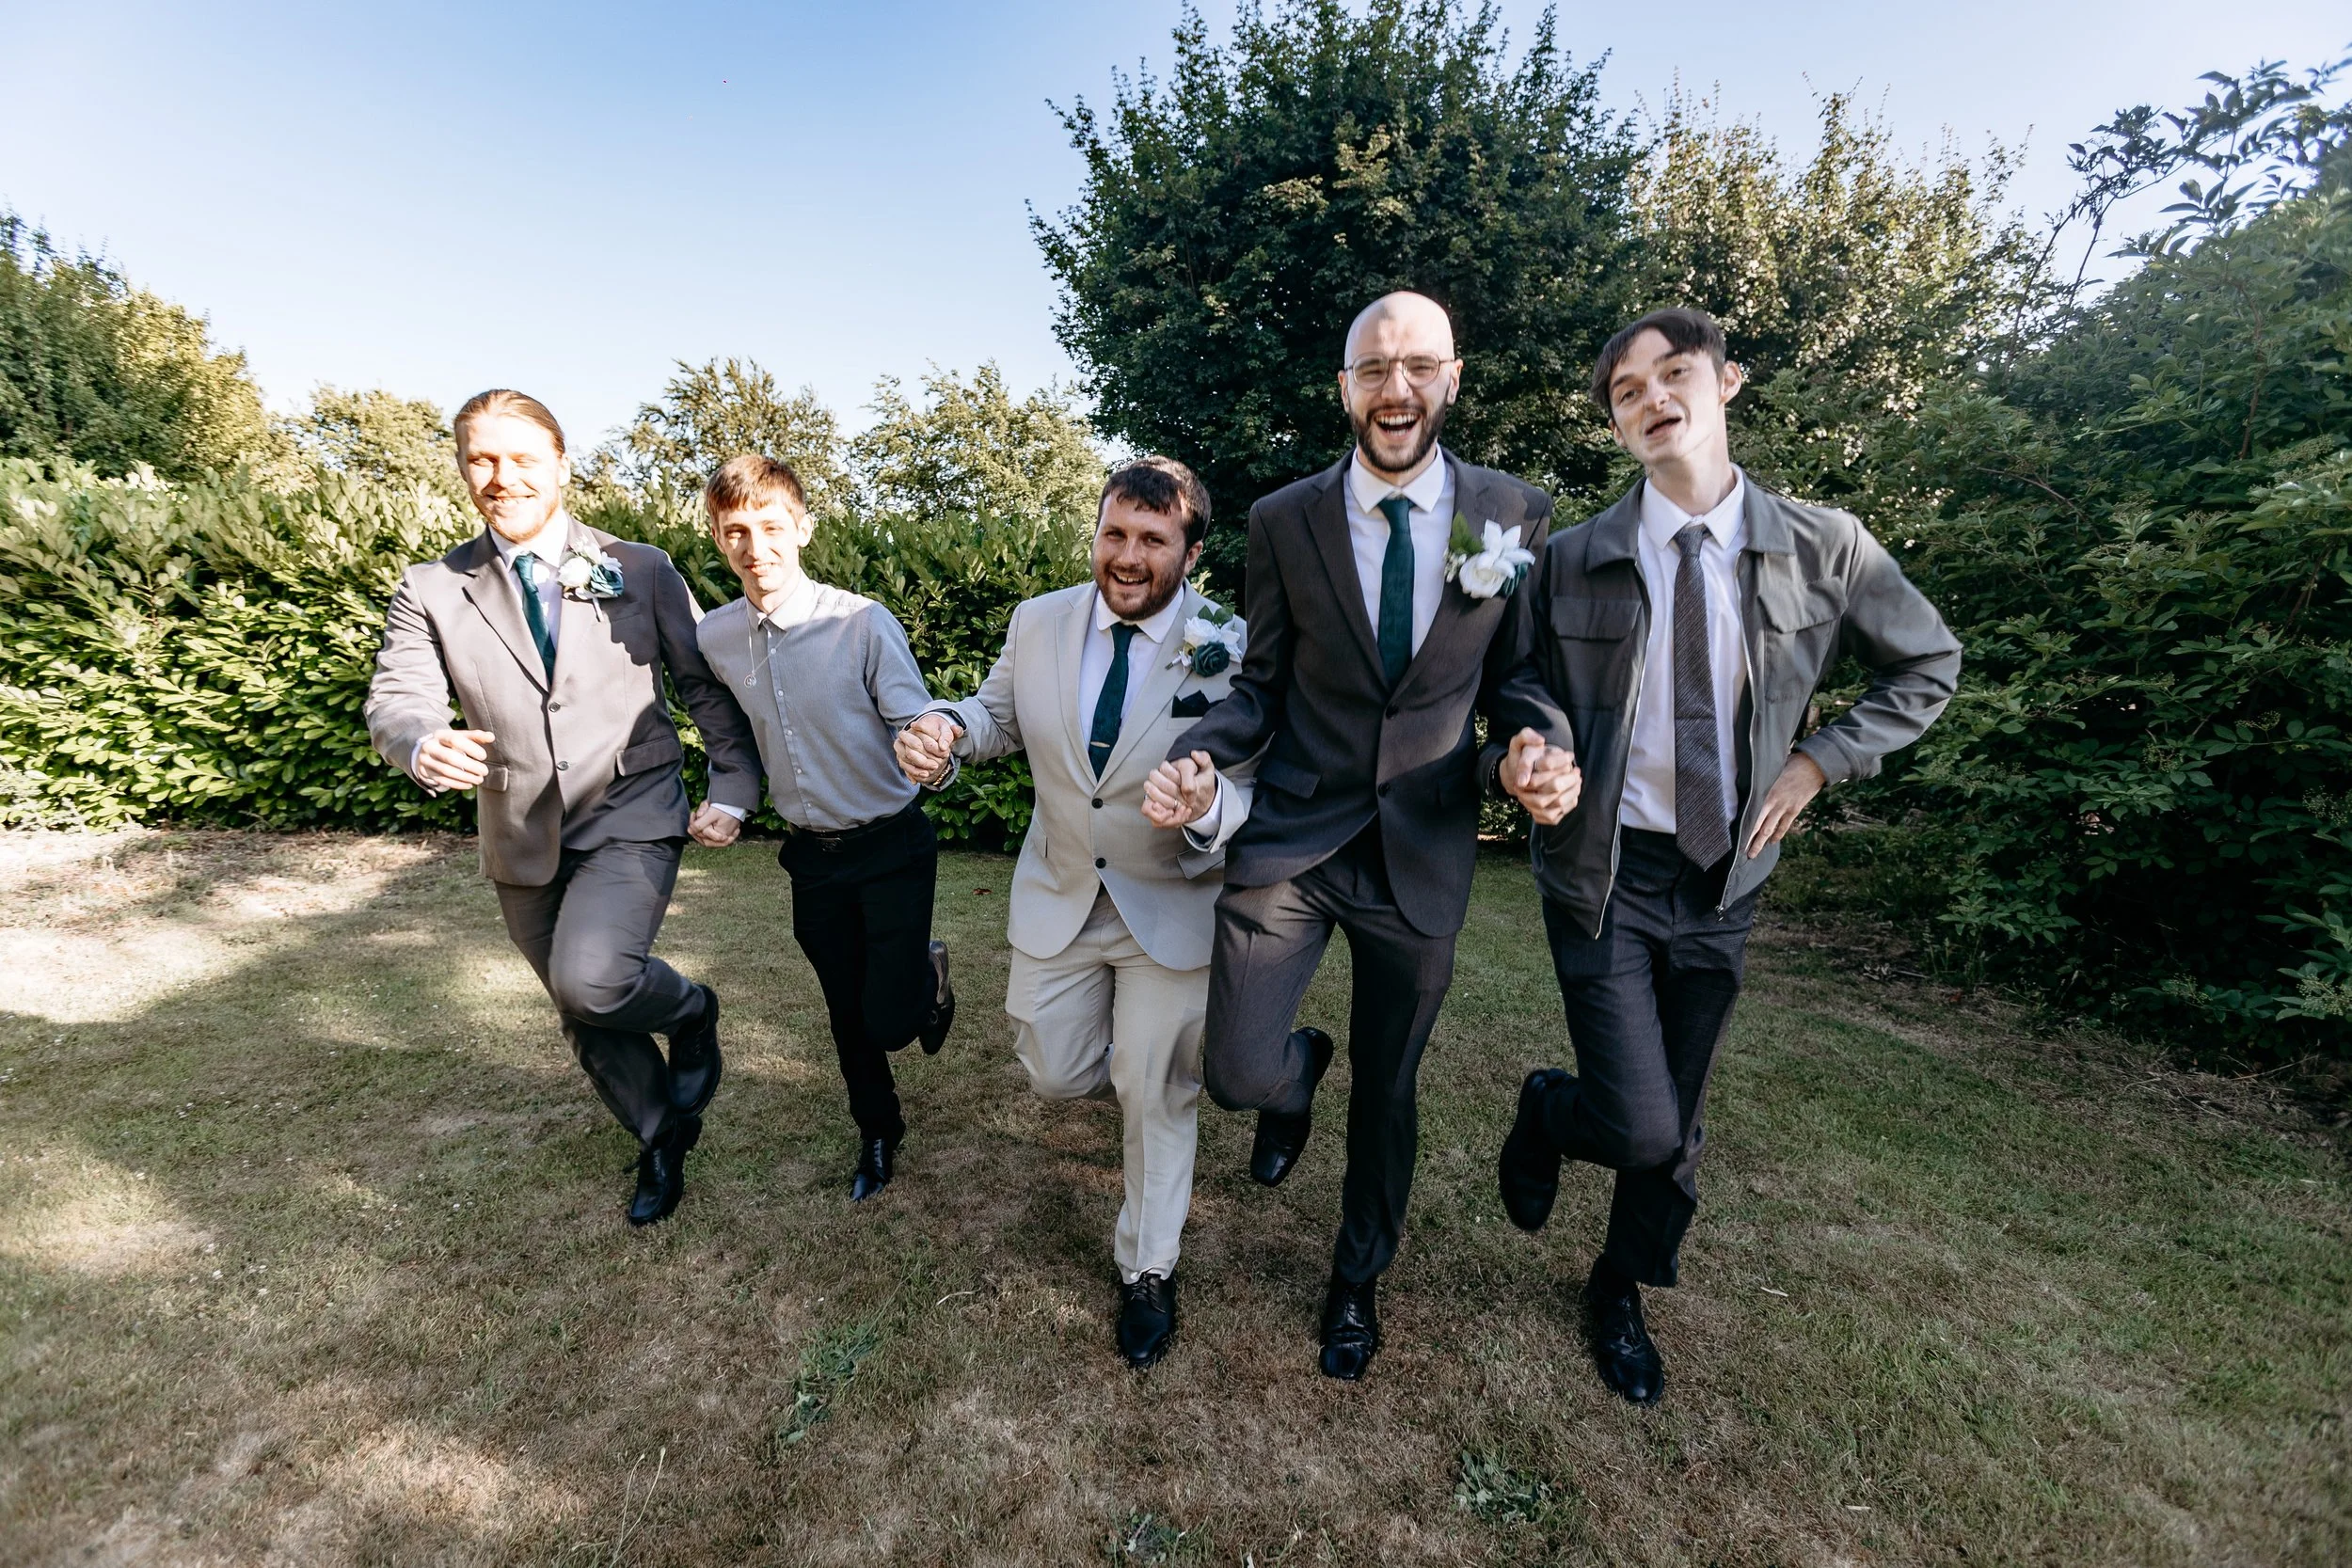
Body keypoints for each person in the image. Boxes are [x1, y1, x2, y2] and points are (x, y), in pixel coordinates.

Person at [1496, 306, 1963, 1404]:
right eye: (1626, 391)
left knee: (1675, 1132)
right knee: (1640, 1117)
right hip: (1602, 873)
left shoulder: (1825, 543)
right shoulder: (1569, 560)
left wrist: (1820, 762)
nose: (1652, 398)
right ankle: (1551, 1110)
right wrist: (1532, 746)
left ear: (1726, 381)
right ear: (1615, 425)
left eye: (1673, 374)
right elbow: (1519, 688)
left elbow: (1927, 662)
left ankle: (1617, 1286)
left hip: (1725, 881)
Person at [1143, 292, 1582, 1380]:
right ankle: (1298, 1074)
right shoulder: (1283, 518)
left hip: (1421, 853)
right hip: (1294, 833)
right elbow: (1260, 685)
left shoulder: (1514, 514)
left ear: (1453, 377)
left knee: (1390, 1090)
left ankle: (1355, 1278)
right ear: (1343, 386)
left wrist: (1529, 747)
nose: (1395, 389)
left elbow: (1519, 681)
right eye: (1373, 369)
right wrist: (1207, 751)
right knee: (1240, 1069)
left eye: (1418, 365)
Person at [364, 389, 760, 1227]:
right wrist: (418, 740)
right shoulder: (432, 586)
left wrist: (734, 787)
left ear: (560, 465)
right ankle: (660, 1134)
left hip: (632, 807)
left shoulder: (640, 565)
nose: (500, 477)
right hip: (518, 826)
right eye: (481, 458)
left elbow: (704, 687)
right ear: (464, 469)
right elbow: (397, 696)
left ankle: (692, 1009)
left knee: (594, 977)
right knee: (580, 1013)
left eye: (519, 458)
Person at [896, 457, 1252, 1370]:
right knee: (1057, 1074)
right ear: (1096, 532)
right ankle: (1182, 1070)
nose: (1127, 557)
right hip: (1059, 892)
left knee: (1154, 1087)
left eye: (1152, 540)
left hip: (1171, 906)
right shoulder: (1038, 620)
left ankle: (1147, 1266)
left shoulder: (1229, 641)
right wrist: (944, 728)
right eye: (1114, 534)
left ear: (1191, 550)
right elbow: (993, 716)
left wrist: (1207, 805)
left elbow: (1249, 789)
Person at [693, 454, 957, 1202]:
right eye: (736, 530)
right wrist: (731, 799)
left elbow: (920, 720)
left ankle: (928, 979)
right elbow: (731, 739)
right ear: (718, 537)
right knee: (847, 1012)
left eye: (772, 526)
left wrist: (932, 751)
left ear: (802, 527)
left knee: (891, 1018)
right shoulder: (714, 639)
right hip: (810, 857)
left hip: (891, 845)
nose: (756, 546)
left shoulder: (861, 622)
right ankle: (878, 1132)